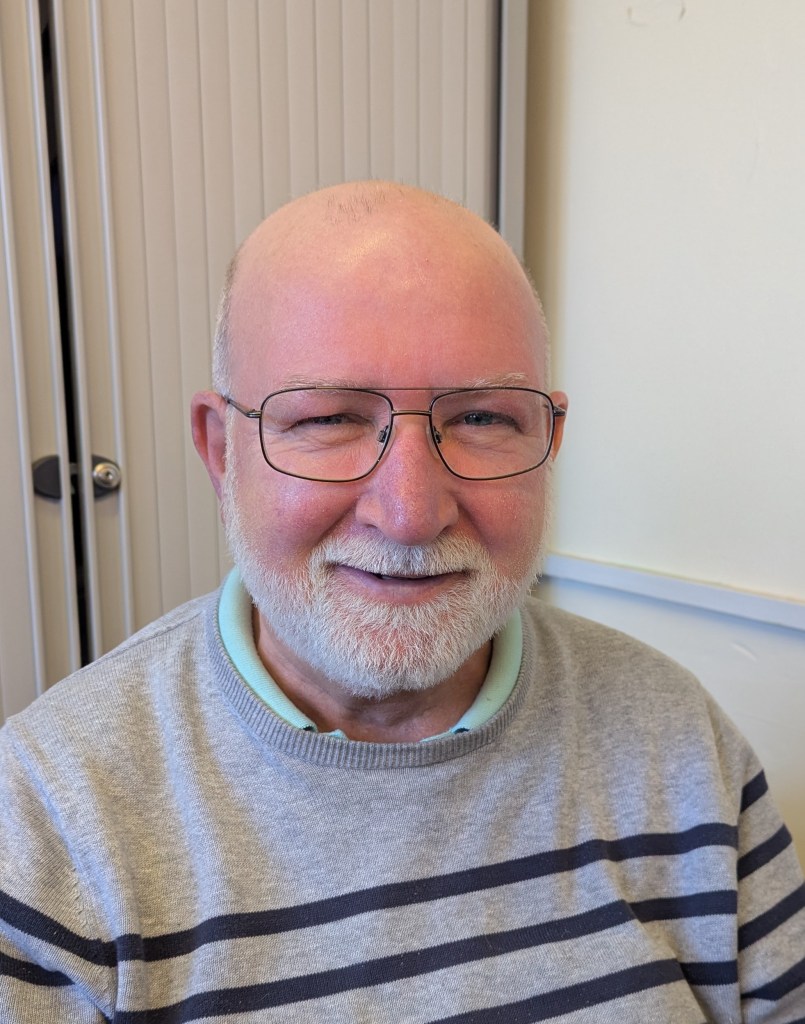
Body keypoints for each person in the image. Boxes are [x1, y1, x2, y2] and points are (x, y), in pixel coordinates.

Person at [0, 181, 802, 1023]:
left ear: (547, 442)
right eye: (329, 420)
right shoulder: (51, 816)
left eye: (482, 418)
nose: (411, 513)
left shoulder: (681, 741)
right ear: (221, 449)